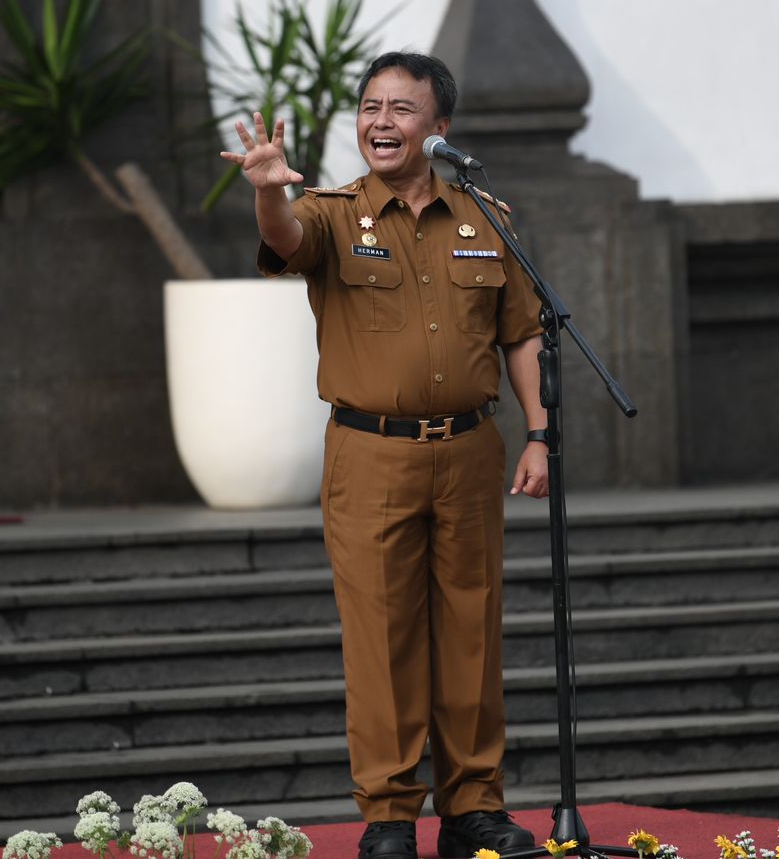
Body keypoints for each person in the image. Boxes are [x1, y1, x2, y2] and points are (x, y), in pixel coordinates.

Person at [221, 51, 549, 859]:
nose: (380, 122)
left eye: (402, 109)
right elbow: (285, 239)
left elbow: (522, 333)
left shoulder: (487, 218)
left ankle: (474, 808)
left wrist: (540, 431)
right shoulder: (332, 212)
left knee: (472, 633)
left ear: (440, 128)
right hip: (371, 456)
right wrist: (269, 188)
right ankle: (390, 817)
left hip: (470, 451)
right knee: (383, 636)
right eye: (370, 107)